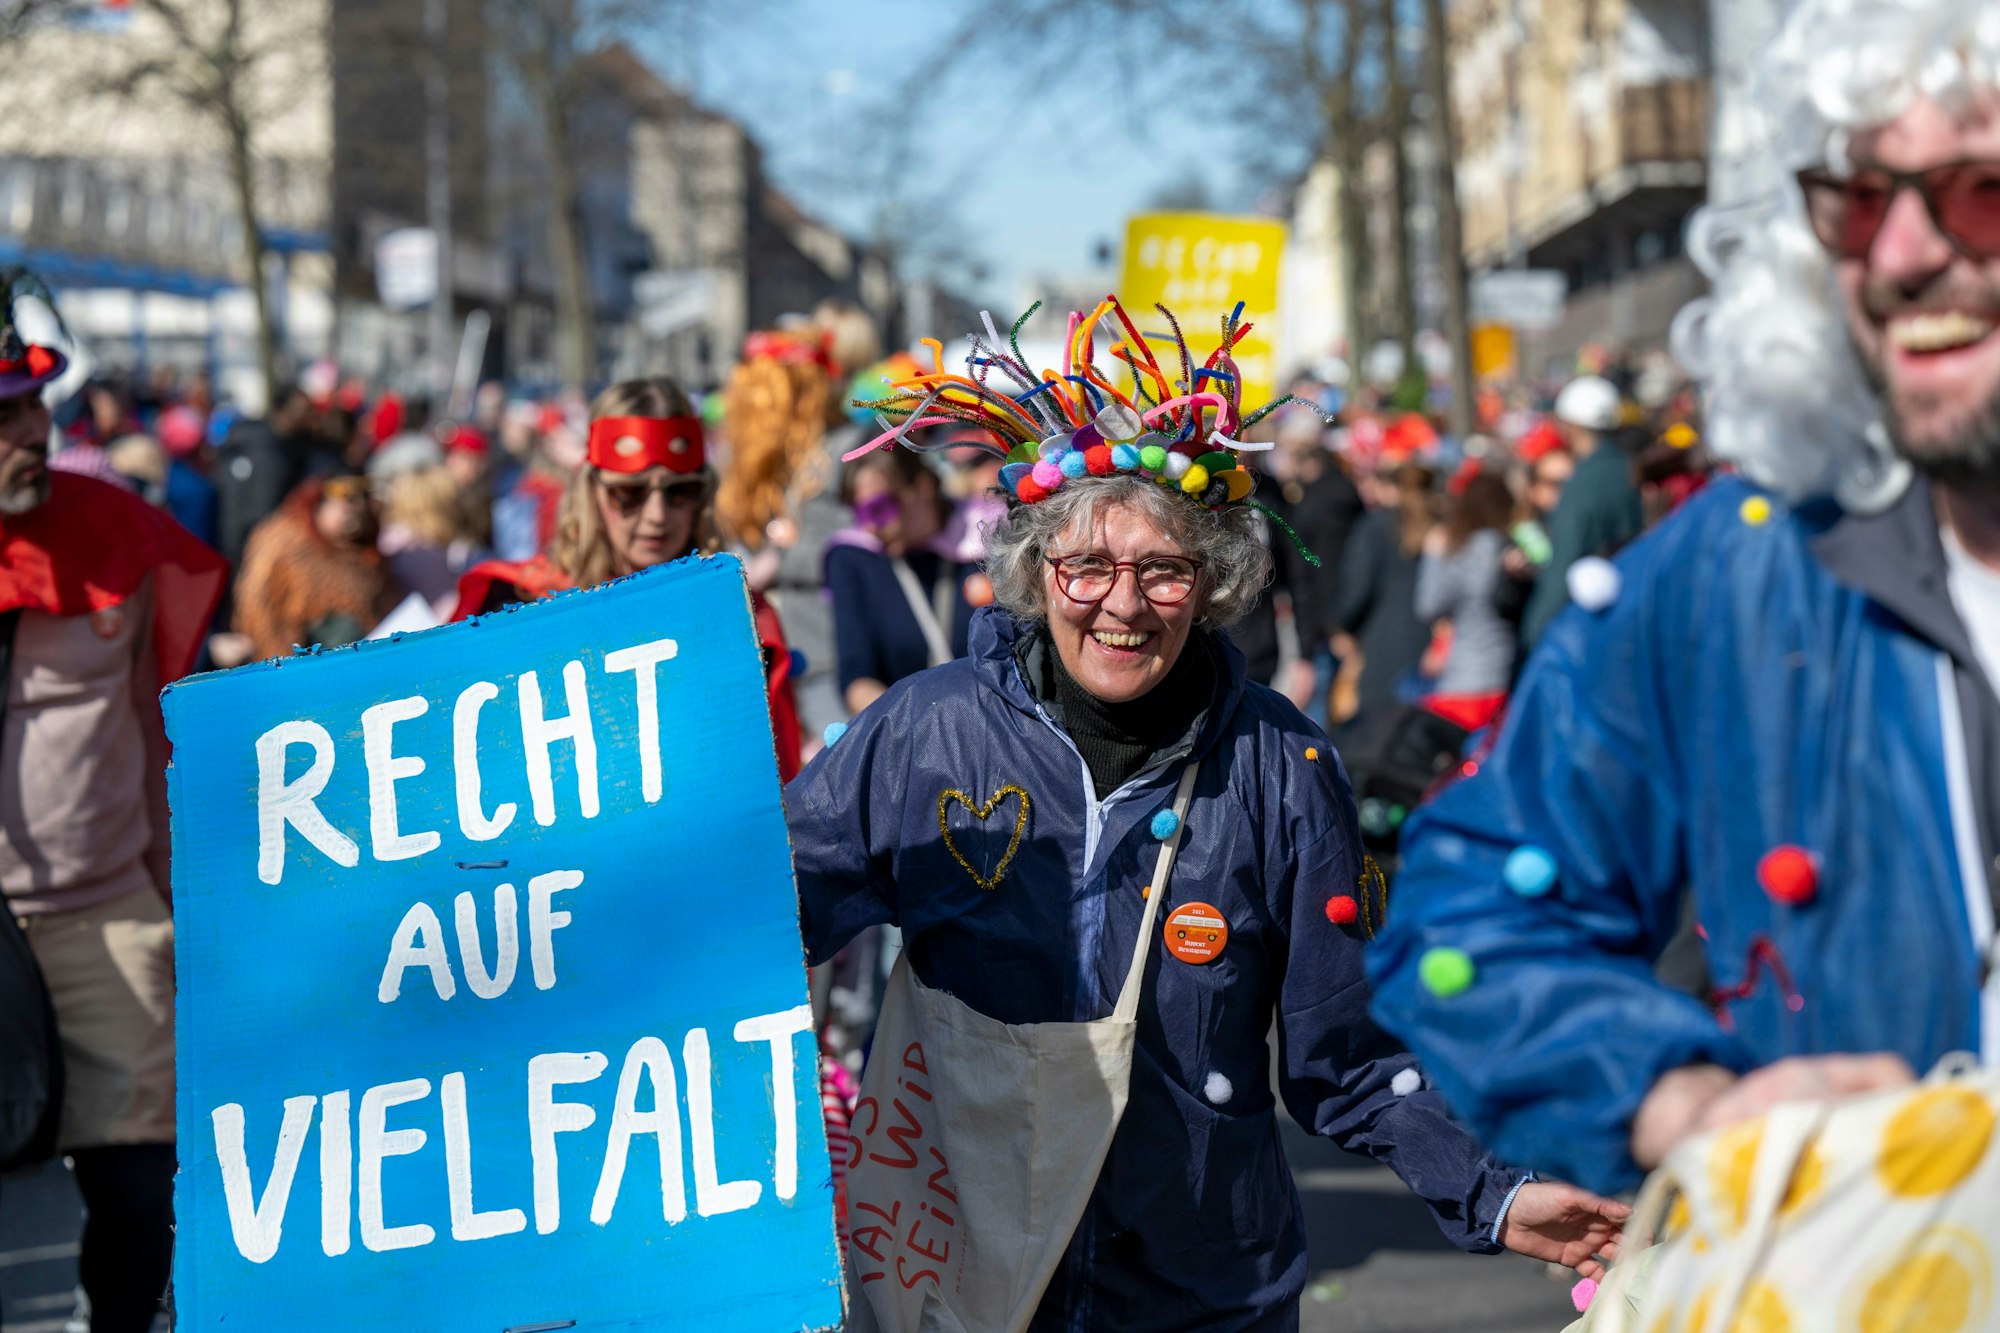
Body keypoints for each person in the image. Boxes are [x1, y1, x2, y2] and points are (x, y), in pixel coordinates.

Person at [788, 298, 1625, 1331]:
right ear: (1035, 572)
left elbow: (1349, 1055)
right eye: (1086, 566)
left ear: (1211, 579)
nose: (1122, 605)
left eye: (1162, 569)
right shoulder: (925, 733)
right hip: (955, 1276)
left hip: (1196, 1290)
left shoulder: (1281, 764)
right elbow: (757, 932)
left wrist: (1493, 1188)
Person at [1367, 0, 2000, 1204]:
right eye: (1861, 201)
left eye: (1978, 190)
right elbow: (1465, 920)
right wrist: (1683, 1100)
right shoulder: (1743, 572)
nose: (1905, 254)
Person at [0, 270, 227, 1332]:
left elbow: (157, 724)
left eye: (33, 407)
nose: (30, 434)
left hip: (104, 910)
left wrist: (180, 894)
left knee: (143, 1192)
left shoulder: (120, 534)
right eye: (3, 417)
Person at [455, 377, 802, 782]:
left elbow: (770, 781)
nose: (657, 515)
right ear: (592, 491)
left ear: (702, 496)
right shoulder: (522, 604)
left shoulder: (741, 616)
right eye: (630, 493)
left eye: (679, 492)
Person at [716, 327, 864, 741]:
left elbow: (861, 544)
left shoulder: (847, 449)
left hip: (824, 662)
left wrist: (778, 562)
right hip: (753, 662)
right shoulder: (742, 465)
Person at [825, 446, 975, 715]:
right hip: (912, 730)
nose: (870, 527)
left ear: (922, 486)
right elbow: (856, 673)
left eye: (880, 508)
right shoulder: (854, 559)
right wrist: (911, 727)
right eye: (860, 514)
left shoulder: (982, 539)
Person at [1518, 375, 1643, 647]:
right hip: (1638, 621)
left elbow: (1564, 566)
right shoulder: (1635, 469)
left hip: (1592, 631)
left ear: (1570, 425)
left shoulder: (1583, 484)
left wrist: (1533, 635)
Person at [230, 473, 402, 661]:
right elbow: (261, 609)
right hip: (299, 659)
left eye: (360, 500)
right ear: (320, 503)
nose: (355, 509)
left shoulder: (366, 553)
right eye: (346, 501)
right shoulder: (285, 542)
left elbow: (385, 609)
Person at [1333, 461, 1436, 725]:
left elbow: (1357, 589)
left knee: (1375, 734)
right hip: (1431, 645)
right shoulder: (1441, 526)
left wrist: (1339, 625)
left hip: (1380, 645)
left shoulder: (1376, 526)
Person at [1414, 471, 1518, 730]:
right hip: (1499, 671)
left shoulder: (1471, 547)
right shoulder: (1502, 544)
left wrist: (1434, 557)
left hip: (1466, 678)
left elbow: (1428, 605)